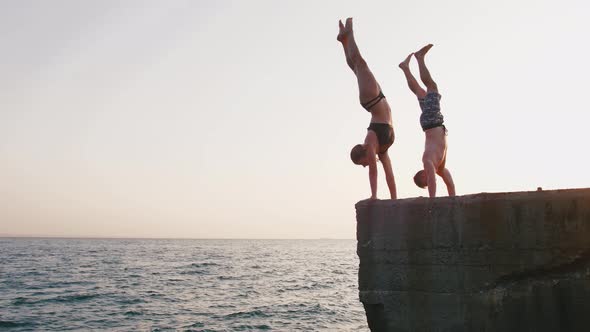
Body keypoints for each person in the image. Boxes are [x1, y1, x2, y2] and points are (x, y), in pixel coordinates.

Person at [338, 18, 397, 200]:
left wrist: (373, 196)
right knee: (357, 67)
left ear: (362, 153)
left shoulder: (371, 143)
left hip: (371, 99)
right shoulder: (382, 150)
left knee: (360, 64)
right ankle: (344, 40)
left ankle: (348, 36)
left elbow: (373, 170)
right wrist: (394, 200)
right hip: (377, 98)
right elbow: (389, 174)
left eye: (361, 163)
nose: (365, 166)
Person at [398, 44, 455, 197]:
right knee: (421, 91)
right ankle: (405, 68)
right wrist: (453, 200)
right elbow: (449, 183)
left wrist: (432, 201)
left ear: (422, 174)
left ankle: (419, 58)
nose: (429, 179)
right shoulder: (440, 168)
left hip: (432, 120)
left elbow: (432, 180)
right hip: (431, 122)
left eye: (426, 179)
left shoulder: (427, 161)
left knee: (431, 86)